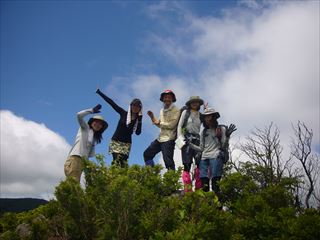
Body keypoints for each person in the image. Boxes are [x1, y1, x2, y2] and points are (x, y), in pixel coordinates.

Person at [189, 107, 236, 197]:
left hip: (216, 156)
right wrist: (190, 145)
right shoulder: (204, 132)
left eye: (210, 116)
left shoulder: (220, 129)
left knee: (216, 182)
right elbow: (201, 148)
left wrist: (227, 136)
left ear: (214, 117)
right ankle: (206, 204)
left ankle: (217, 205)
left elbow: (223, 146)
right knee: (204, 183)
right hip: (204, 157)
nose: (208, 119)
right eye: (206, 117)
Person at [96, 88, 142, 167]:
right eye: (134, 105)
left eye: (138, 106)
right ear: (130, 106)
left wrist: (140, 121)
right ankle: (112, 177)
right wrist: (100, 93)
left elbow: (138, 133)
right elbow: (111, 103)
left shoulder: (138, 119)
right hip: (116, 141)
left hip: (126, 143)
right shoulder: (123, 113)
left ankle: (122, 178)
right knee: (116, 161)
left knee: (123, 164)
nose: (135, 107)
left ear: (140, 108)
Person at [64, 104, 108, 182]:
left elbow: (89, 154)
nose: (98, 125)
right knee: (72, 183)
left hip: (82, 161)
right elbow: (79, 115)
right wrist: (92, 110)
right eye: (96, 122)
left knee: (74, 183)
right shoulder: (85, 128)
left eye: (100, 124)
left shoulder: (93, 138)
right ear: (91, 122)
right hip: (75, 157)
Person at [144, 90, 181, 170]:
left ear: (172, 99)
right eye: (165, 97)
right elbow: (160, 125)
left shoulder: (176, 110)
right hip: (160, 138)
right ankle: (150, 172)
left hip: (169, 139)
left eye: (169, 97)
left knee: (168, 161)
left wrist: (160, 123)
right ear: (163, 99)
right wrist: (152, 118)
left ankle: (171, 180)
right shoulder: (162, 110)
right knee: (147, 154)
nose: (167, 99)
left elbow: (172, 125)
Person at [177, 96, 204, 192]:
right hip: (187, 139)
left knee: (199, 164)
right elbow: (179, 126)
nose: (194, 103)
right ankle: (187, 189)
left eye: (196, 102)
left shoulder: (201, 115)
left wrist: (206, 110)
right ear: (189, 103)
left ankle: (198, 188)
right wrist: (180, 140)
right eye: (192, 102)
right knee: (187, 164)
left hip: (197, 140)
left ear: (199, 104)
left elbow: (207, 124)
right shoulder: (186, 112)